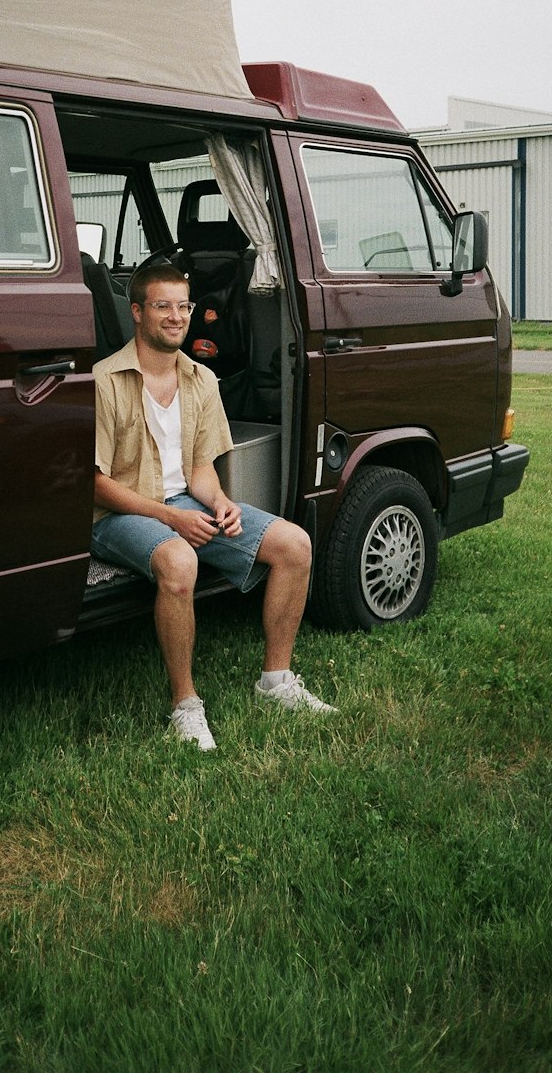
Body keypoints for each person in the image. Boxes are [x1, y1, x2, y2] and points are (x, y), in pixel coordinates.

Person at [92, 259, 337, 751]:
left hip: (182, 501)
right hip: (118, 511)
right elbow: (93, 484)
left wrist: (222, 502)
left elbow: (200, 468)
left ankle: (277, 682)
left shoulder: (202, 379)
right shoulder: (105, 380)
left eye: (184, 306)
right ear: (137, 312)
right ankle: (186, 705)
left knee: (294, 544)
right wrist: (171, 518)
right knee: (180, 560)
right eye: (163, 306)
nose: (177, 316)